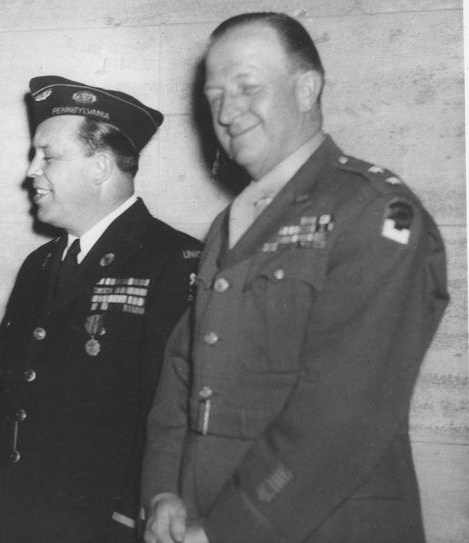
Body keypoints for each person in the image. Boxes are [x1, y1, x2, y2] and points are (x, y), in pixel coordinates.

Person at [141, 12, 449, 543]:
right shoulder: (234, 222)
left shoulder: (373, 210)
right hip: (202, 515)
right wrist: (164, 489)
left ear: (307, 89)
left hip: (317, 524)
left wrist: (230, 528)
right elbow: (185, 369)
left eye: (247, 87)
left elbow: (345, 412)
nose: (228, 111)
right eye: (214, 94)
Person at [0, 76, 203, 543]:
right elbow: (5, 388)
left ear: (101, 165)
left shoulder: (174, 262)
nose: (31, 171)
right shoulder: (41, 264)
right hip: (13, 522)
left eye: (48, 156)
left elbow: (171, 417)